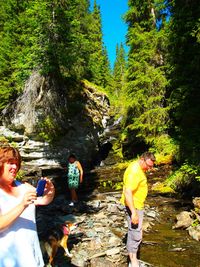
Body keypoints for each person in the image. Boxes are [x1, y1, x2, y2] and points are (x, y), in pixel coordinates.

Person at [0, 145, 55, 267]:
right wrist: (22, 205)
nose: (15, 167)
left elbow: (43, 200)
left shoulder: (24, 187)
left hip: (32, 257)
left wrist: (50, 192)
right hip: (9, 261)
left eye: (17, 163)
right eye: (10, 163)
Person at [120, 152, 155, 267]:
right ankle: (133, 262)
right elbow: (128, 192)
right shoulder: (134, 172)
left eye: (151, 166)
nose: (150, 169)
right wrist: (134, 213)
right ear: (142, 159)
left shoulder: (138, 168)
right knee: (135, 234)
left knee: (135, 232)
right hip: (133, 207)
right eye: (148, 166)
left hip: (137, 205)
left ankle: (133, 258)